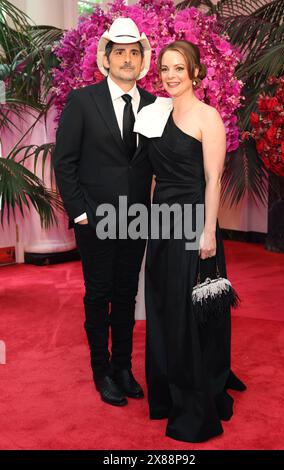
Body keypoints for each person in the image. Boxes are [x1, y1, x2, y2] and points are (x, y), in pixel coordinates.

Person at [135, 40, 246, 442]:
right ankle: (165, 393)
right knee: (162, 306)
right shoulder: (155, 115)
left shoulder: (208, 117)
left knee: (189, 312)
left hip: (194, 223)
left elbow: (213, 179)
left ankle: (196, 398)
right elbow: (150, 174)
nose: (170, 76)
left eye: (179, 68)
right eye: (164, 68)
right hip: (162, 222)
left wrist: (209, 232)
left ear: (195, 71)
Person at [53, 18, 156, 407]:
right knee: (98, 295)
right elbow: (65, 162)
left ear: (142, 59)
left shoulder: (153, 105)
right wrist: (81, 213)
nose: (127, 59)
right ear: (106, 59)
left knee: (127, 294)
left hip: (136, 218)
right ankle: (101, 370)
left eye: (134, 52)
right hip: (94, 219)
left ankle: (123, 367)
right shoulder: (82, 101)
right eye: (120, 52)